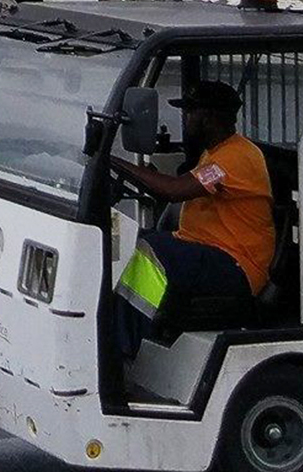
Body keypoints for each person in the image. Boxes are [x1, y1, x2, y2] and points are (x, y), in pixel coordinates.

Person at [107, 80, 275, 356]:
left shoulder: (235, 158)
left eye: (190, 112)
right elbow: (180, 186)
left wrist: (112, 161)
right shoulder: (217, 152)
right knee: (122, 238)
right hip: (202, 246)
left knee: (147, 254)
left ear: (208, 117)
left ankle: (120, 351)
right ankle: (119, 327)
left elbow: (174, 191)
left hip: (235, 263)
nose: (185, 118)